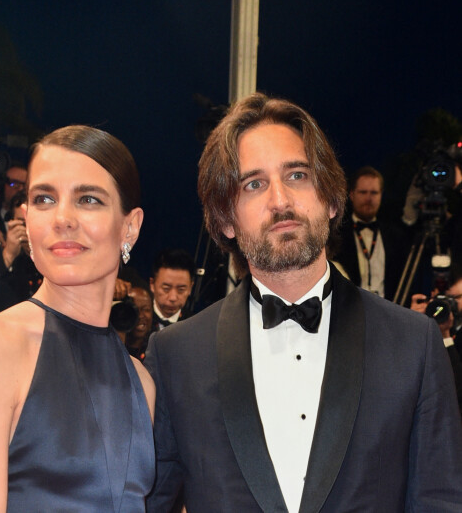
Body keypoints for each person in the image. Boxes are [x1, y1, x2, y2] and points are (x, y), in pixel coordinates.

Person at [145, 93, 462, 512]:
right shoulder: (174, 355)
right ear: (226, 219)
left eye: (297, 175)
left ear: (332, 199)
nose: (280, 200)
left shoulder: (413, 343)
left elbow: (440, 501)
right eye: (254, 184)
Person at [0, 125, 155, 512]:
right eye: (43, 199)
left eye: (88, 199)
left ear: (130, 226)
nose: (62, 219)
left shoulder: (141, 382)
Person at [335, 166, 408, 301]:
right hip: (350, 312)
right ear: (351, 195)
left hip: (389, 311)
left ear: (381, 195)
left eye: (374, 193)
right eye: (363, 192)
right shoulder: (337, 235)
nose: (368, 198)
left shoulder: (396, 236)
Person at [0, 191, 42, 314]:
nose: (27, 229)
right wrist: (9, 254)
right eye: (22, 222)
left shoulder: (54, 254)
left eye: (32, 222)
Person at [150, 248, 195, 330]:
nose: (173, 298)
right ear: (152, 284)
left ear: (190, 288)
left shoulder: (195, 326)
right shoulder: (138, 319)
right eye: (166, 289)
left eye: (181, 290)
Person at [126, 286, 154, 361]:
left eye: (146, 309)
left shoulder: (158, 348)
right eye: (134, 310)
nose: (140, 315)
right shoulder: (111, 346)